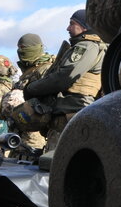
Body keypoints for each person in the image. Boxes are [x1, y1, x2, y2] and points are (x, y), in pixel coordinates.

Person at [17, 10, 106, 151]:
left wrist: (32, 89)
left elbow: (63, 78)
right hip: (70, 117)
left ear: (84, 26)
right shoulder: (88, 46)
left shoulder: (86, 46)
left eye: (72, 24)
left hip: (70, 116)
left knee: (55, 167)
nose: (68, 28)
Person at [0, 34, 56, 152]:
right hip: (18, 130)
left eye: (24, 48)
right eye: (19, 48)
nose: (21, 51)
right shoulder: (27, 72)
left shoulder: (46, 69)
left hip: (35, 133)